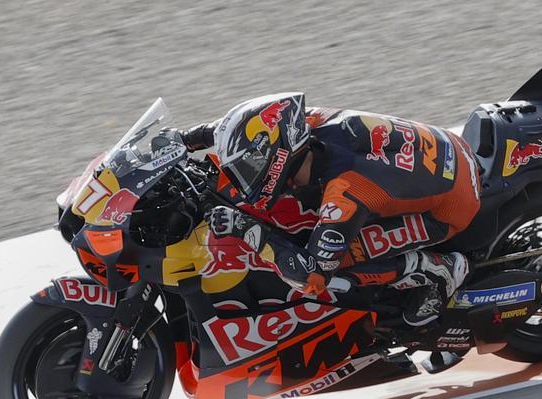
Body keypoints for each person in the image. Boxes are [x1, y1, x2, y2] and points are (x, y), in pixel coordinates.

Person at [180, 92, 481, 327]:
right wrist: (188, 138)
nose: (245, 174)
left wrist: (247, 229)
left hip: (450, 207)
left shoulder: (344, 194)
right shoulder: (307, 123)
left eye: (250, 166)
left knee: (338, 267)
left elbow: (311, 278)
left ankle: (439, 270)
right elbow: (254, 127)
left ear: (279, 159)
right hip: (446, 150)